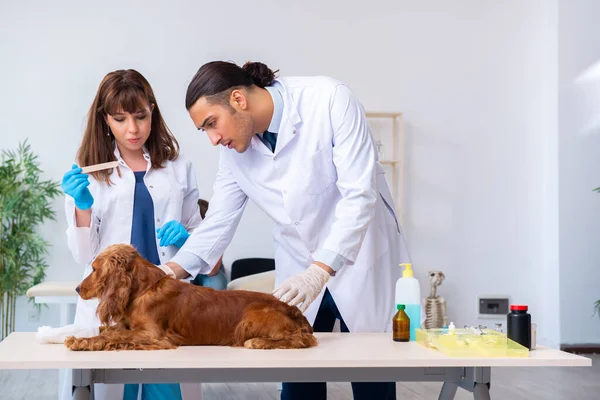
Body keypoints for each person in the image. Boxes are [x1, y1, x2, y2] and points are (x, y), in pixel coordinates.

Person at [157, 60, 414, 400]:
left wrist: (319, 271)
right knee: (297, 381)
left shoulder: (329, 99)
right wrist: (167, 271)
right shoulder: (235, 152)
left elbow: (359, 195)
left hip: (359, 259)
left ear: (238, 99)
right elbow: (217, 220)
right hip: (297, 266)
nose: (213, 139)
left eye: (211, 124)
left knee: (372, 379)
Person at [61, 69, 202, 400]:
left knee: (169, 391)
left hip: (166, 301)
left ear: (152, 109)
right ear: (105, 119)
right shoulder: (90, 172)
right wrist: (82, 205)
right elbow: (85, 256)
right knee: (114, 388)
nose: (133, 129)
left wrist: (185, 240)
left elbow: (201, 235)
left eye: (140, 116)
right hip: (115, 303)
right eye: (120, 119)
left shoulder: (178, 166)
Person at [189, 199, 228, 289]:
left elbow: (212, 272)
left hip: (210, 274)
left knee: (216, 282)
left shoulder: (217, 235)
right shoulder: (182, 231)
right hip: (188, 271)